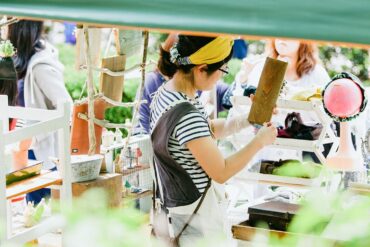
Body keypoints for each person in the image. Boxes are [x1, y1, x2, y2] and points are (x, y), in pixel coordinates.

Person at [150, 35, 277, 245]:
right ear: (201, 68)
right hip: (197, 227)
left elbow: (206, 130)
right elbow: (221, 171)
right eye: (222, 70)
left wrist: (250, 118)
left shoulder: (170, 93)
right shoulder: (186, 113)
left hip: (179, 215)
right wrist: (259, 143)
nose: (221, 77)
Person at [7, 20, 72, 204]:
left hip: (42, 148)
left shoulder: (41, 66)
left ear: (18, 30)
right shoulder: (22, 60)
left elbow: (66, 106)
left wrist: (37, 137)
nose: (5, 29)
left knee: (38, 204)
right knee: (29, 206)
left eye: (8, 25)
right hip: (25, 143)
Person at [137, 34, 230, 134]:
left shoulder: (173, 90)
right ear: (200, 68)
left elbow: (225, 94)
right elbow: (140, 129)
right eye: (222, 69)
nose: (221, 74)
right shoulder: (184, 107)